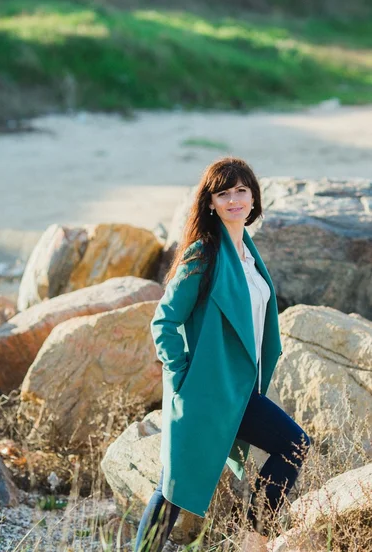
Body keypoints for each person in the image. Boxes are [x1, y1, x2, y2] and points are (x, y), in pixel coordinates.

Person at [134, 157, 310, 552]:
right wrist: (182, 377)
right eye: (224, 193)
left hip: (239, 391)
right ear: (210, 203)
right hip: (204, 391)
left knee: (293, 446)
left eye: (241, 191)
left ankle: (252, 538)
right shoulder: (204, 254)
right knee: (174, 488)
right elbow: (164, 321)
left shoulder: (247, 253)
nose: (234, 199)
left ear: (253, 199)